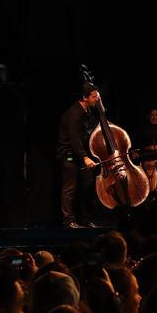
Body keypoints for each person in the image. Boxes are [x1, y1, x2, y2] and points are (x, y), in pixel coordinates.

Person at [56, 83, 100, 229]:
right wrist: (85, 157)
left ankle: (85, 219)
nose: (97, 99)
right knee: (69, 188)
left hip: (79, 156)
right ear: (84, 98)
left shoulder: (87, 112)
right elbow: (74, 139)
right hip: (69, 155)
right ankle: (68, 221)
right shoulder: (74, 113)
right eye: (94, 97)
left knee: (87, 185)